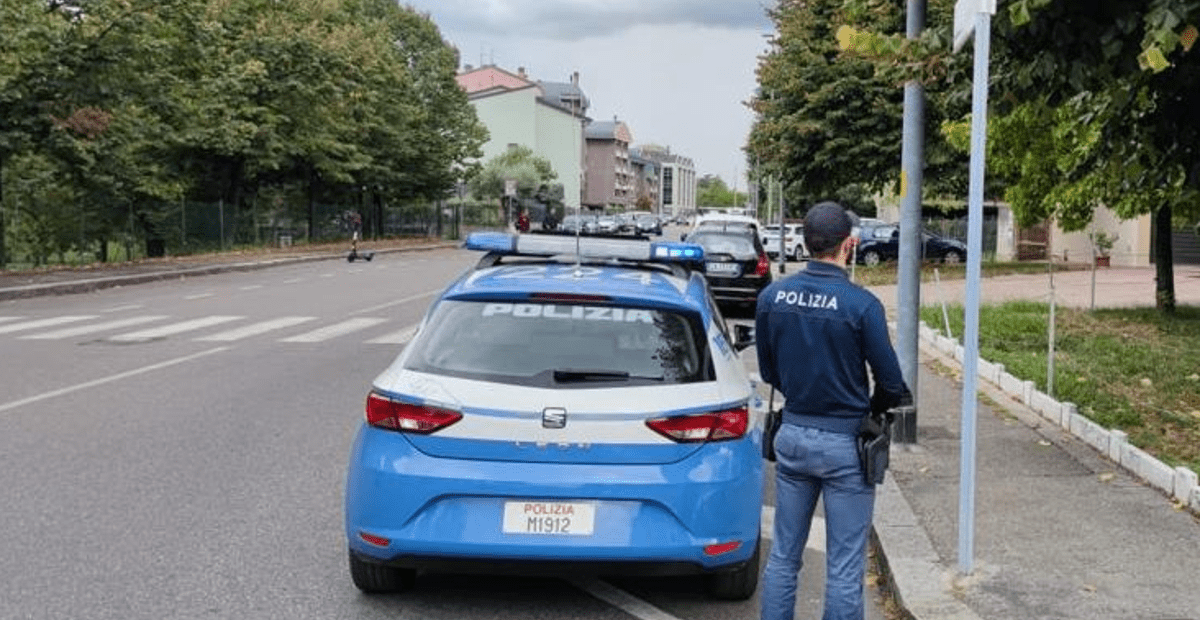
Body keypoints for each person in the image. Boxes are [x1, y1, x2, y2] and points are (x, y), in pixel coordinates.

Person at [755, 201, 909, 620]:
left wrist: (804, 393)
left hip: (793, 436)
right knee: (843, 568)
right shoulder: (862, 305)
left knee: (784, 556)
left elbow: (770, 370)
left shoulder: (772, 296)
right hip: (846, 445)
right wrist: (869, 411)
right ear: (850, 246)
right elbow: (892, 384)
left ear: (805, 242)